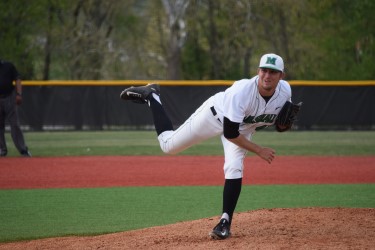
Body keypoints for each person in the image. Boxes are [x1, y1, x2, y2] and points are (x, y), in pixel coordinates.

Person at [120, 53, 292, 239]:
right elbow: (231, 133)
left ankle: (225, 222)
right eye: (264, 70)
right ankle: (152, 96)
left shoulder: (285, 92)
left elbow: (279, 125)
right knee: (168, 146)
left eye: (273, 72)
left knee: (234, 167)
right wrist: (259, 150)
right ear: (258, 71)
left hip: (242, 128)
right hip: (215, 116)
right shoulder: (242, 91)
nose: (267, 76)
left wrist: (283, 126)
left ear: (281, 76)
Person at [0, 59, 31, 157]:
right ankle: (2, 150)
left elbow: (17, 78)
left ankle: (23, 150)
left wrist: (19, 94)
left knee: (14, 124)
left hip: (9, 97)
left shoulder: (8, 66)